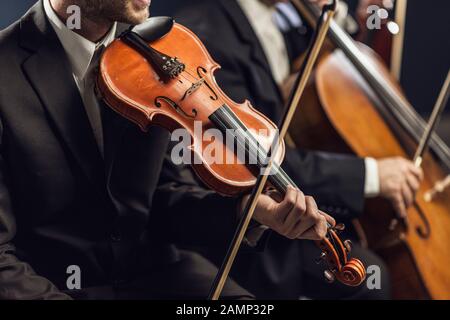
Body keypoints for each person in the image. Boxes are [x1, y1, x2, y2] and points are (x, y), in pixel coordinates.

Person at [0, 0, 334, 300]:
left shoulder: (156, 53)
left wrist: (249, 213)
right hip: (56, 286)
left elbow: (162, 199)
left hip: (158, 273)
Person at [175, 0, 423, 299]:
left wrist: (335, 21)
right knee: (367, 279)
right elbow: (251, 160)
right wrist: (370, 175)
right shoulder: (206, 32)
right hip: (242, 229)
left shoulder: (280, 20)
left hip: (296, 199)